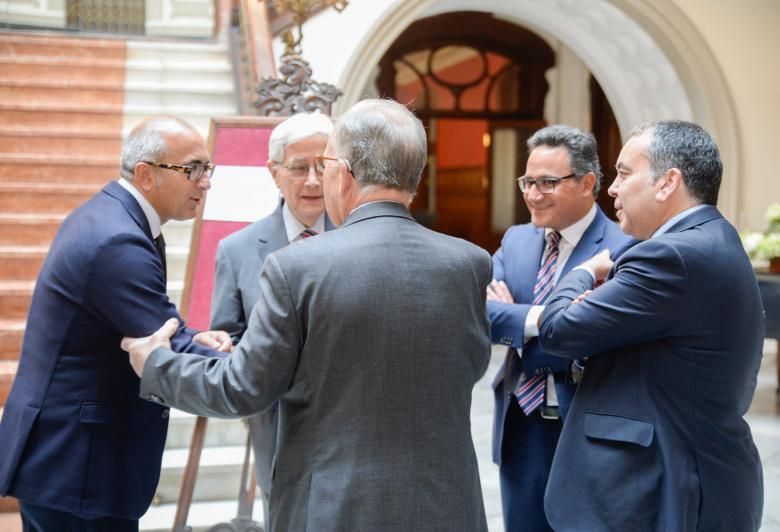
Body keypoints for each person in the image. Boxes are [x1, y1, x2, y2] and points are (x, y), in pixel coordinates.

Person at [122, 98, 492, 532]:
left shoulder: (297, 267)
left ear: (346, 173)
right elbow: (471, 366)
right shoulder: (470, 262)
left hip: (335, 506)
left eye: (328, 161)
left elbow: (244, 387)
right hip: (446, 505)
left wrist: (157, 366)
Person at [0, 116, 231, 531]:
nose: (205, 182)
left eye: (207, 169)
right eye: (192, 169)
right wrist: (248, 361)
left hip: (73, 455)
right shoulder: (116, 238)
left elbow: (155, 319)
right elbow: (155, 333)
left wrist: (198, 337)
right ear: (146, 175)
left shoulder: (114, 216)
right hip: (77, 461)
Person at [538, 120, 764, 531]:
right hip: (692, 475)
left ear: (667, 182)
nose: (612, 188)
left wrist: (584, 273)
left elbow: (558, 330)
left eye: (624, 173)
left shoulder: (670, 256)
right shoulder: (711, 237)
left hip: (660, 490)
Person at [485, 125, 631, 532]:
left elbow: (597, 333)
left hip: (584, 421)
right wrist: (549, 318)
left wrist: (517, 316)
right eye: (528, 182)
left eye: (547, 182)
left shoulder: (622, 248)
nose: (533, 194)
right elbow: (483, 314)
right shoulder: (515, 240)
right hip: (520, 420)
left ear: (588, 183)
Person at [209, 111, 335, 524]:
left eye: (324, 165)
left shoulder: (361, 237)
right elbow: (229, 341)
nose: (314, 180)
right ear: (274, 172)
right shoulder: (237, 250)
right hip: (277, 429)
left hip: (350, 427)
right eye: (300, 168)